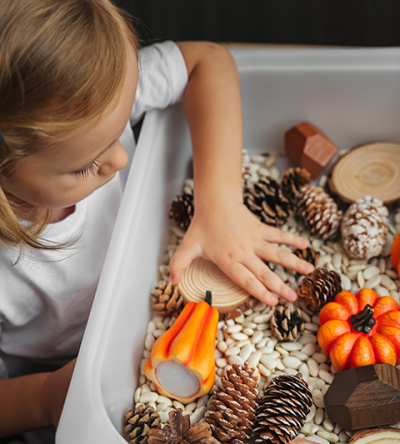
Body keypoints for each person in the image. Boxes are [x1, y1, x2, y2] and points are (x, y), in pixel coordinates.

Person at [0, 0, 314, 441]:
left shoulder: (89, 86)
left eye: (120, 126)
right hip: (53, 374)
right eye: (87, 165)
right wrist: (45, 397)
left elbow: (209, 61)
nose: (121, 157)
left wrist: (218, 202)